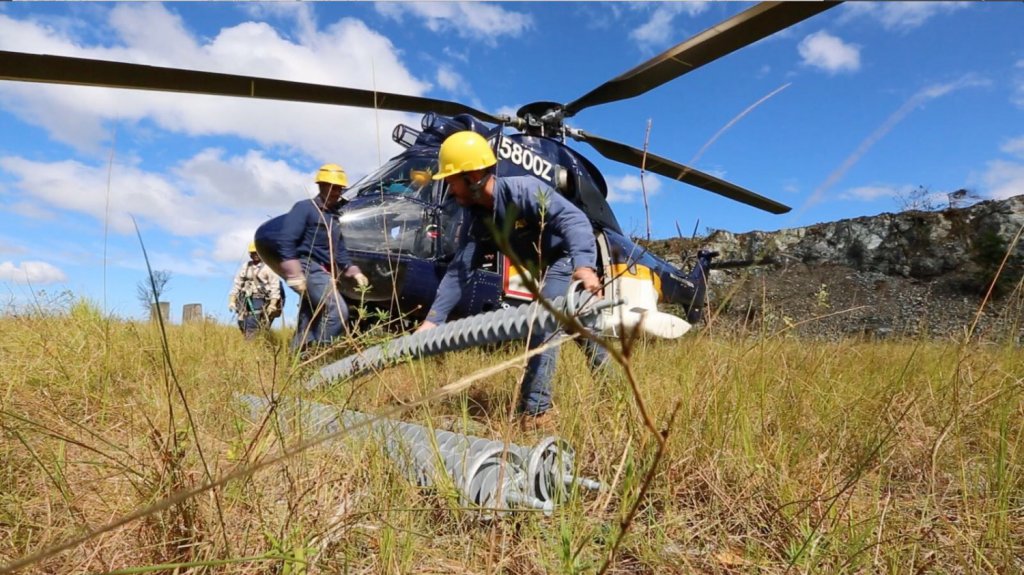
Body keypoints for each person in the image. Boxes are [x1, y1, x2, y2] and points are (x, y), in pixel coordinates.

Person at [416, 131, 608, 430]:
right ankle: (612, 392)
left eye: (451, 180)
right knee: (583, 331)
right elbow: (460, 269)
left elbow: (574, 220)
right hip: (545, 270)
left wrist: (584, 265)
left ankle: (535, 413)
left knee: (543, 323)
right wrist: (434, 319)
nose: (449, 190)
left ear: (474, 175)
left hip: (566, 261)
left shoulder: (525, 191)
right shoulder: (479, 219)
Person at [269, 163, 369, 353]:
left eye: (339, 188)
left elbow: (340, 251)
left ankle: (298, 360)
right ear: (321, 185)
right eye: (332, 187)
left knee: (309, 318)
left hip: (325, 270)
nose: (336, 192)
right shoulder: (304, 208)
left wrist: (354, 272)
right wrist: (294, 274)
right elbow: (286, 240)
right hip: (308, 267)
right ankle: (320, 355)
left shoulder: (333, 217)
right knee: (337, 311)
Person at [228, 242, 283, 339]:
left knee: (252, 322)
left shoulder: (269, 267)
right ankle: (251, 338)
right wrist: (232, 301)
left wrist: (273, 304)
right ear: (250, 254)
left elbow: (275, 286)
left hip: (261, 298)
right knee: (241, 322)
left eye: (257, 252)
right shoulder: (246, 266)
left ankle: (251, 345)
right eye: (253, 253)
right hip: (245, 297)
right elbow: (237, 283)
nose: (255, 255)